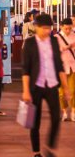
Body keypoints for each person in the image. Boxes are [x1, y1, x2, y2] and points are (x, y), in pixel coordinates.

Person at [22, 14, 69, 157]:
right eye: (44, 28)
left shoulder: (54, 42)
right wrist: (26, 91)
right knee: (34, 121)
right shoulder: (29, 43)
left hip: (52, 85)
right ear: (36, 27)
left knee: (56, 117)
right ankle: (36, 152)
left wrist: (66, 88)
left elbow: (59, 66)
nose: (47, 31)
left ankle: (49, 147)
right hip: (35, 86)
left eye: (49, 28)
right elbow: (26, 69)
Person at [55, 18, 75, 121]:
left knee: (73, 90)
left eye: (70, 28)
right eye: (66, 28)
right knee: (61, 92)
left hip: (73, 67)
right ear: (61, 27)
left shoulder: (74, 35)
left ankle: (73, 111)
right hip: (61, 67)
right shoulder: (56, 37)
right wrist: (67, 47)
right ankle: (63, 111)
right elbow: (55, 52)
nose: (68, 30)